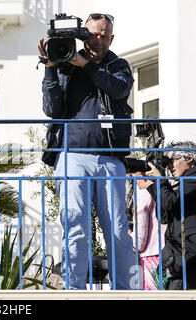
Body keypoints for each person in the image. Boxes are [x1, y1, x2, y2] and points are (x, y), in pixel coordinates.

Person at [38, 13, 135, 289]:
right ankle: (74, 290)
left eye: (105, 35)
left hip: (110, 158)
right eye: (94, 34)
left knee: (118, 231)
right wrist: (50, 67)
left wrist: (86, 65)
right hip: (72, 157)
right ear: (84, 34)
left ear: (112, 38)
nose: (99, 40)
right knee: (75, 228)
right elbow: (51, 109)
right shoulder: (66, 62)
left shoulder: (119, 66)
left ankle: (124, 292)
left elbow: (119, 89)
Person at [139, 141, 196, 290]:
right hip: (180, 255)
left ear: (189, 158)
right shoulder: (183, 183)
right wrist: (152, 186)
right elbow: (164, 215)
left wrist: (160, 181)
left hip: (190, 254)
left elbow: (169, 202)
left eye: (172, 161)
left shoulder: (193, 179)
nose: (169, 167)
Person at [133, 172, 167, 290]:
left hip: (150, 258)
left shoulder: (144, 193)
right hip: (170, 254)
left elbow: (139, 240)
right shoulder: (167, 191)